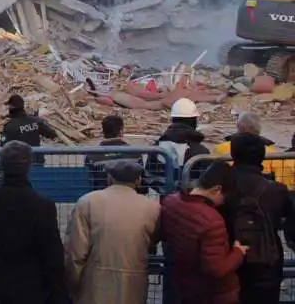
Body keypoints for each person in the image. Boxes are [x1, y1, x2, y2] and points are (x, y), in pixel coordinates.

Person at [0, 141, 67, 304]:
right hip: (30, 290)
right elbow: (52, 257)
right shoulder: (43, 206)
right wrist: (57, 294)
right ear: (29, 166)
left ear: (1, 165)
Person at [65, 160, 160, 304]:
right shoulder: (153, 207)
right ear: (138, 180)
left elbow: (75, 252)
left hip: (95, 282)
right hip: (134, 281)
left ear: (109, 178)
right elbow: (152, 242)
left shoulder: (88, 201)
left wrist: (71, 284)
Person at [160, 161, 247, 304]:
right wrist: (238, 252)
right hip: (213, 293)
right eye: (225, 197)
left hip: (185, 284)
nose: (224, 202)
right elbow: (216, 269)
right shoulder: (212, 220)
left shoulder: (170, 202)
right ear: (217, 189)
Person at [227, 133, 295, 304]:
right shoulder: (277, 191)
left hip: (226, 262)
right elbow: (291, 225)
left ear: (233, 154)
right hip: (266, 264)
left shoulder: (219, 188)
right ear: (262, 156)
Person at [146, 98, 209, 176]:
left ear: (173, 120)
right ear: (194, 121)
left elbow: (148, 177)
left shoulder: (156, 149)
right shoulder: (201, 153)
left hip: (160, 187)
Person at [83, 115, 145, 191]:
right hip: (129, 198)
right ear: (121, 132)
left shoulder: (92, 155)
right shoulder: (135, 153)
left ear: (103, 132)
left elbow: (88, 183)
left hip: (101, 199)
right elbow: (141, 184)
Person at [1, 94, 57, 165]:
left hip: (19, 165)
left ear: (11, 108)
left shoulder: (9, 126)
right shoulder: (35, 121)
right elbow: (52, 134)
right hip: (37, 161)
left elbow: (3, 146)